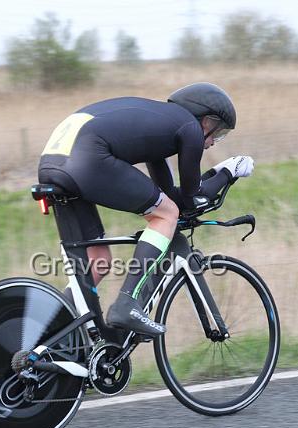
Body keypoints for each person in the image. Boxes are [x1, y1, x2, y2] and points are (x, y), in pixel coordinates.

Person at [37, 82, 254, 337]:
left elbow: (176, 196)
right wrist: (230, 170)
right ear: (206, 121)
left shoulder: (160, 131)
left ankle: (48, 333)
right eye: (219, 134)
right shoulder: (190, 129)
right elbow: (191, 196)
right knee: (166, 214)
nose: (215, 142)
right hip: (86, 158)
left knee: (98, 262)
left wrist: (212, 178)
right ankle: (127, 303)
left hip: (53, 164)